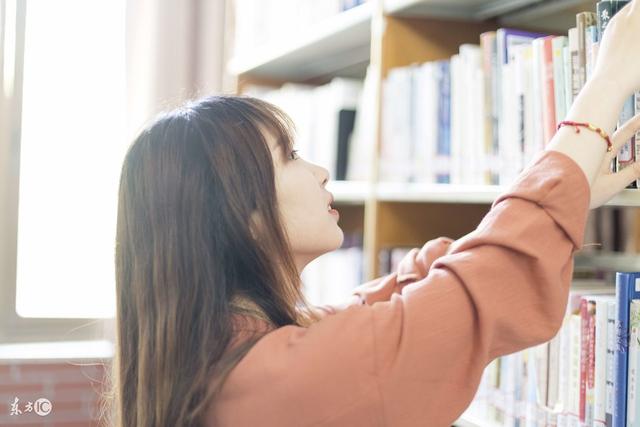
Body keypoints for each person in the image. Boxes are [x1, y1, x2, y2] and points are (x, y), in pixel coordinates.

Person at [107, 2, 640, 426]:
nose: (320, 171)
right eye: (288, 156)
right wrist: (608, 80)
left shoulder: (221, 350)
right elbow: (481, 286)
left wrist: (568, 188)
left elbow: (396, 295)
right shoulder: (278, 378)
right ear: (238, 212)